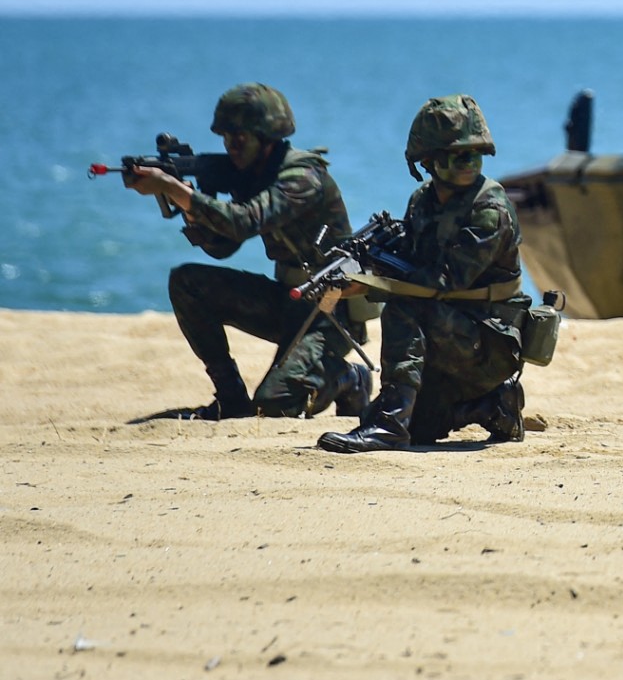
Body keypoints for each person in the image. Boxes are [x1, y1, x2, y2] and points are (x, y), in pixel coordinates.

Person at [124, 83, 371, 420]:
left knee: (276, 404)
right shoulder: (252, 176)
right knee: (187, 283)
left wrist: (176, 191)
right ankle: (230, 399)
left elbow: (245, 221)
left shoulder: (302, 177)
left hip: (329, 310)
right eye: (226, 138)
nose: (231, 146)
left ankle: (350, 378)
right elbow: (224, 247)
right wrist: (191, 209)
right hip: (289, 299)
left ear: (267, 137)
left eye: (239, 137)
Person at [319, 95, 531, 453]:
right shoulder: (422, 201)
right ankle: (493, 405)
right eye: (458, 156)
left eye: (476, 155)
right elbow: (411, 259)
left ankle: (389, 428)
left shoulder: (489, 209)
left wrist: (369, 285)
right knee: (421, 426)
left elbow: (444, 281)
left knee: (404, 306)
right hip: (451, 337)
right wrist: (362, 265)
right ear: (428, 161)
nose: (469, 164)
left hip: (491, 340)